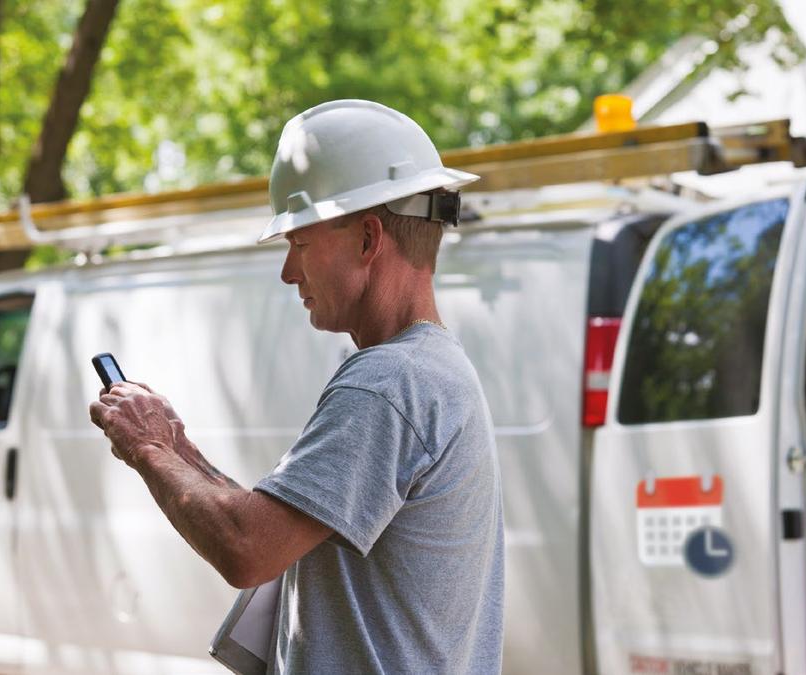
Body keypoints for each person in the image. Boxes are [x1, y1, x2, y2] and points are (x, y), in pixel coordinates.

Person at [89, 99, 505, 674]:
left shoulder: (388, 384)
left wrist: (147, 448)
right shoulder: (433, 370)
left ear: (367, 239)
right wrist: (178, 446)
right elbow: (276, 524)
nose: (289, 271)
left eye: (300, 244)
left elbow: (248, 548)